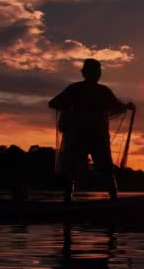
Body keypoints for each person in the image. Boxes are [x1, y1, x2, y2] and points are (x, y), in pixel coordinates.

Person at [48, 58, 135, 203]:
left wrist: (126, 106)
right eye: (95, 71)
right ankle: (111, 203)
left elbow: (55, 103)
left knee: (99, 170)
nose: (97, 74)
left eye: (98, 71)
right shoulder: (85, 90)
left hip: (90, 138)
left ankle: (69, 204)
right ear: (86, 73)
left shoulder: (90, 90)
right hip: (86, 138)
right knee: (80, 171)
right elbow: (54, 103)